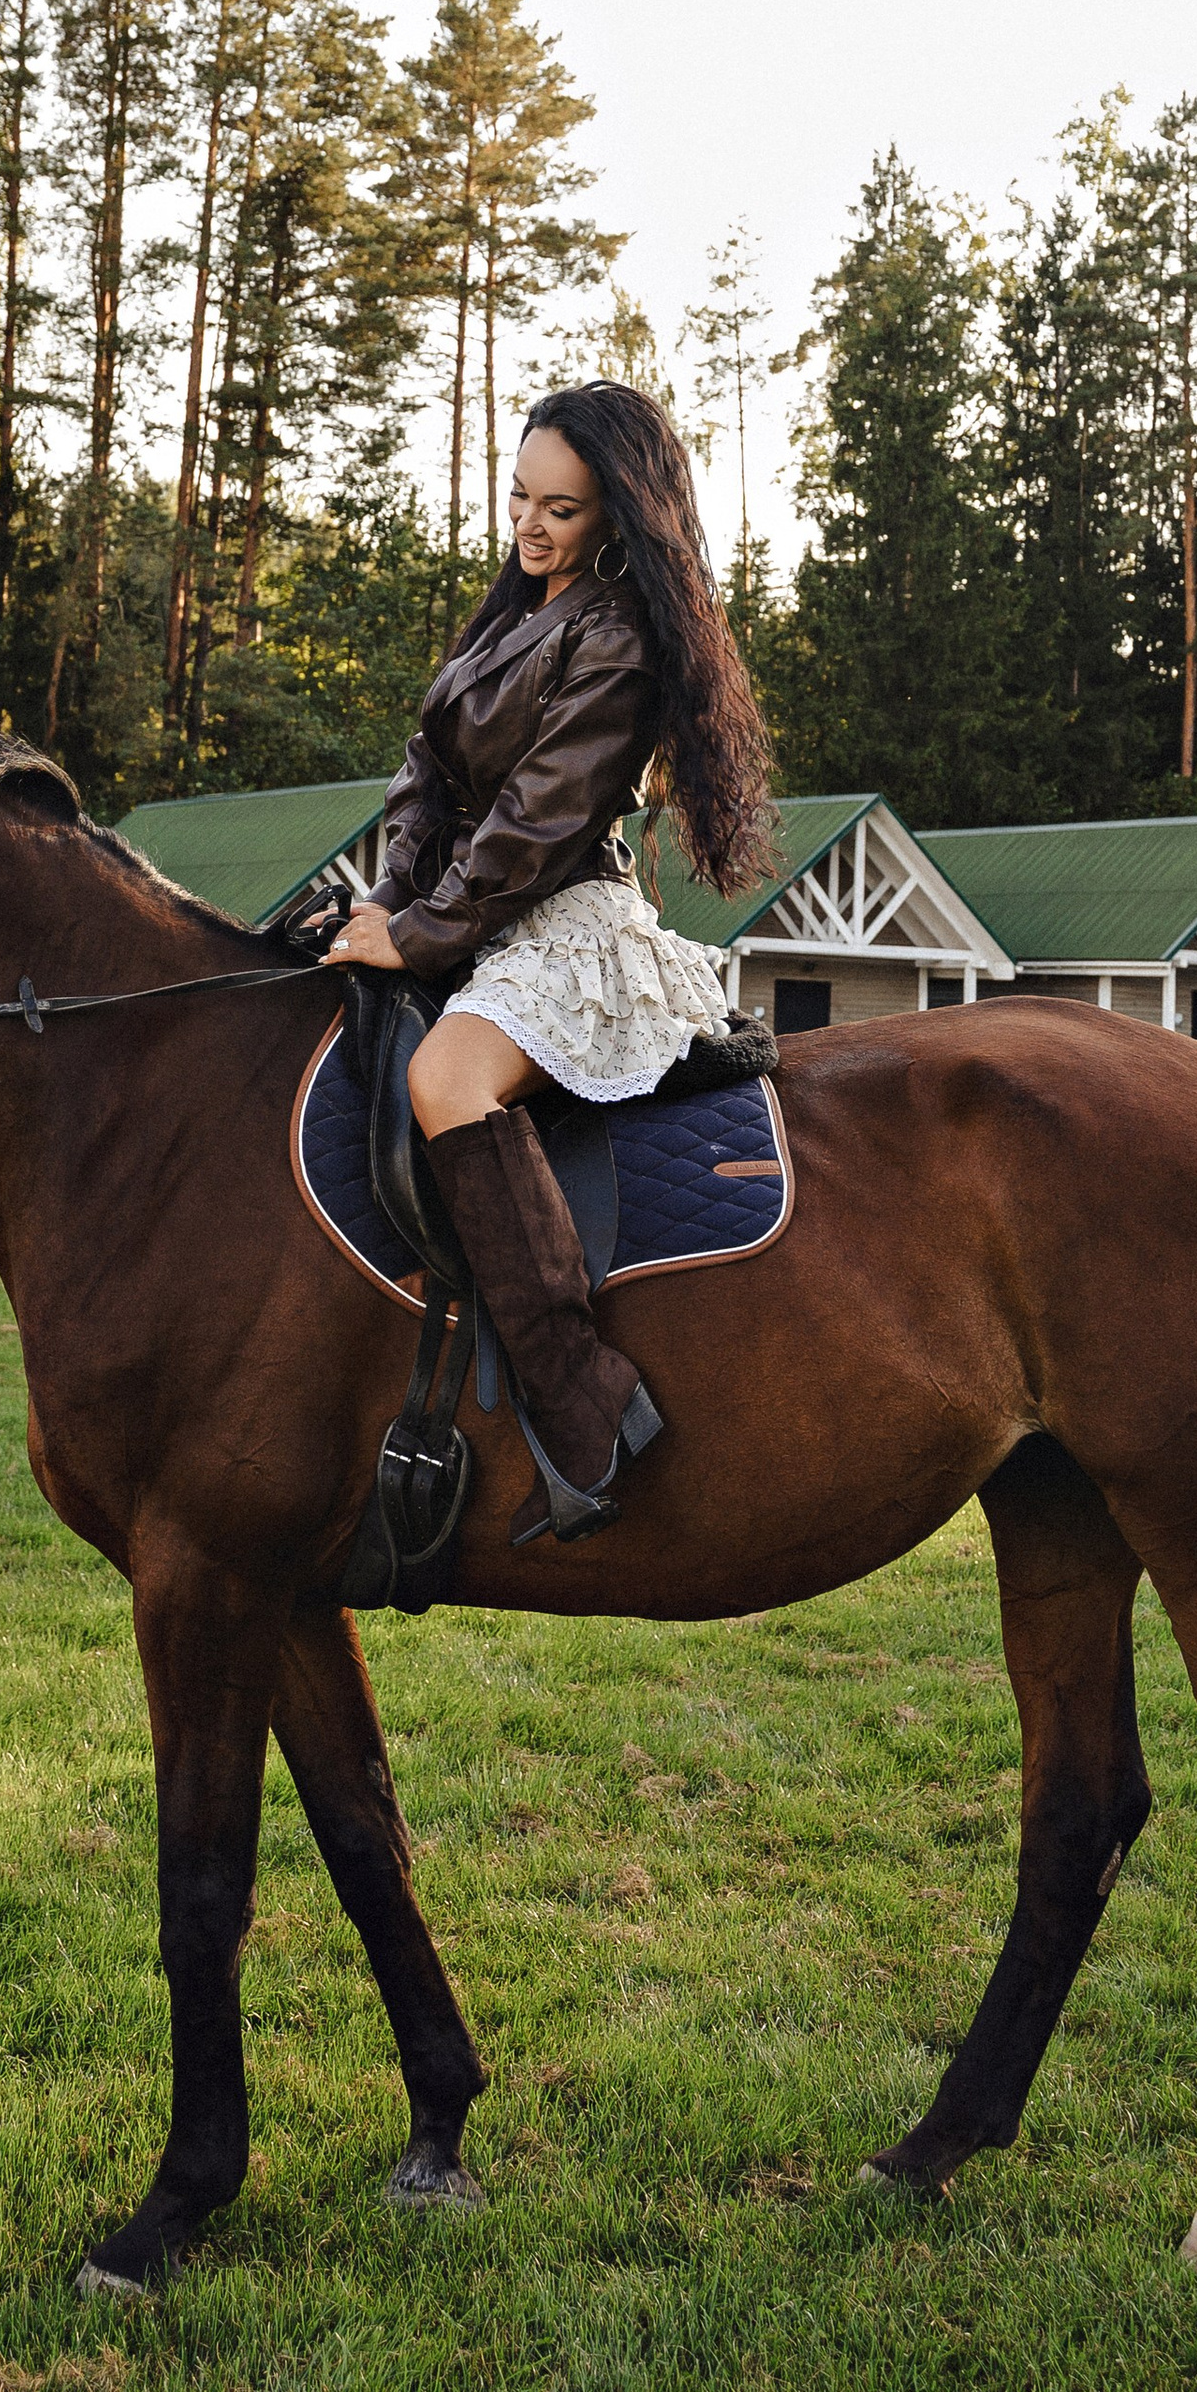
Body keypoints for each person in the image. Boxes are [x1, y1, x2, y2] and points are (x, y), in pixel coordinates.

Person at [326, 381, 775, 1542]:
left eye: (560, 510)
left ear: (616, 516)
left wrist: (421, 933)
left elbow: (538, 817)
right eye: (519, 497)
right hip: (470, 909)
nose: (530, 527)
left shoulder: (615, 635)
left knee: (444, 1083)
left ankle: (582, 1403)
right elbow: (424, 780)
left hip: (562, 924)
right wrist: (384, 899)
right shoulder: (510, 614)